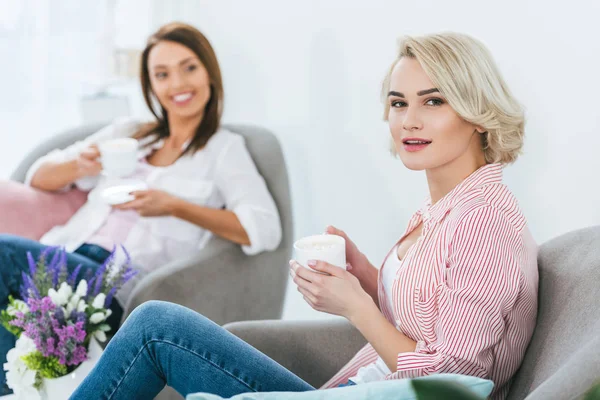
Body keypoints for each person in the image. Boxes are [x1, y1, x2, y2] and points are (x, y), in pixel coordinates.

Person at [70, 32, 537, 400]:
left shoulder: (481, 221)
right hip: (357, 386)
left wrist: (356, 306)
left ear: (478, 113)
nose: (408, 120)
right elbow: (430, 320)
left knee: (157, 328)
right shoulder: (447, 207)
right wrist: (366, 277)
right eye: (399, 102)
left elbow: (450, 381)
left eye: (434, 101)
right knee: (158, 329)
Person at [0, 22, 281, 392]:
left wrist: (175, 206)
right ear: (151, 86)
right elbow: (38, 176)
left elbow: (264, 229)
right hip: (64, 258)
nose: (177, 84)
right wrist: (82, 165)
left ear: (210, 73)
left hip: (117, 286)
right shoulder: (131, 133)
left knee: (3, 251)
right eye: (162, 74)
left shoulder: (223, 150)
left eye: (189, 67)